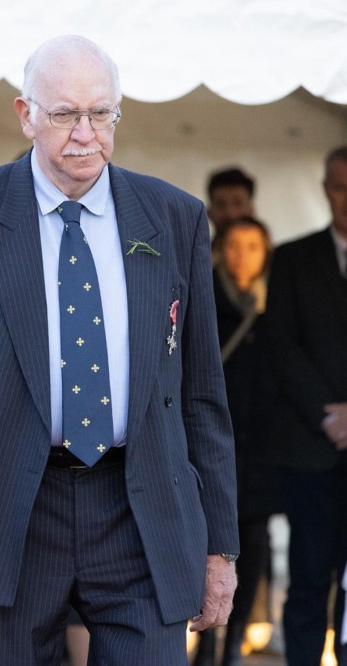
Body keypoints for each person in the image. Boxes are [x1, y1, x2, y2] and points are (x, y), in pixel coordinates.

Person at [0, 35, 239, 664]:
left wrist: (220, 547)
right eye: (65, 114)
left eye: (102, 114)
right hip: (2, 507)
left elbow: (203, 395)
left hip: (139, 506)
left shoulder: (175, 217)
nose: (85, 133)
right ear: (26, 114)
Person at [265, 145, 347, 666]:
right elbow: (282, 346)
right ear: (325, 189)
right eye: (340, 187)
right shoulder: (295, 258)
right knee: (309, 579)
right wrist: (329, 413)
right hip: (312, 449)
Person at [197, 216, 281, 666]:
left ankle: (233, 644)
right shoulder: (203, 295)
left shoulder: (280, 302)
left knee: (253, 544)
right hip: (213, 443)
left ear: (266, 252)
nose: (241, 256)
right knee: (206, 545)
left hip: (262, 446)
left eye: (252, 246)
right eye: (232, 245)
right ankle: (204, 644)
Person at [206, 168, 256, 258]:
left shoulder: (274, 264)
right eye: (221, 204)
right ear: (209, 212)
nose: (230, 213)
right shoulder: (193, 259)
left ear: (251, 211)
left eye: (238, 203)